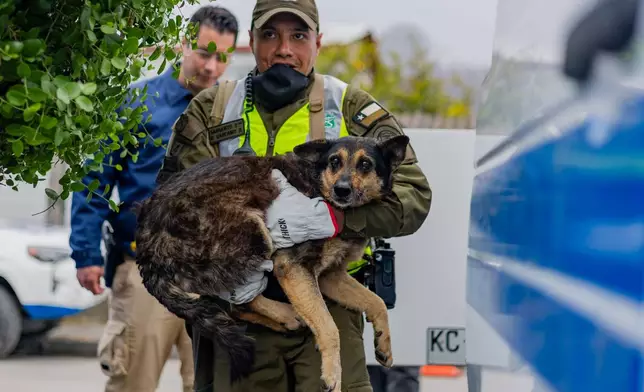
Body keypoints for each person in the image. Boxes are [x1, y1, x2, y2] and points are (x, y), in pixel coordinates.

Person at [155, 0, 432, 390]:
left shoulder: (351, 107)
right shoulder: (212, 109)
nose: (284, 48)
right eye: (270, 35)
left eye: (298, 36)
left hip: (330, 310)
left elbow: (413, 196)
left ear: (318, 42)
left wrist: (335, 219)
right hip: (238, 317)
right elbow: (175, 205)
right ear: (251, 41)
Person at [68, 5, 240, 392]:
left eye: (222, 57)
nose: (212, 67)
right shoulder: (134, 104)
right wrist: (86, 254)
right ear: (183, 44)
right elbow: (94, 180)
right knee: (133, 382)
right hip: (147, 271)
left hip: (217, 278)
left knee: (216, 385)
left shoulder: (236, 112)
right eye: (204, 53)